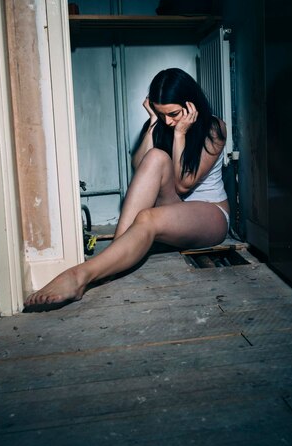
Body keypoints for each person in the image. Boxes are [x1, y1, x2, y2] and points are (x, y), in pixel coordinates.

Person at [24, 68, 230, 307]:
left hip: (210, 215)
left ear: (190, 104)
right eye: (162, 115)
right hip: (177, 211)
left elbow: (184, 184)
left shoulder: (214, 128)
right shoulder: (162, 122)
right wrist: (154, 123)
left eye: (173, 114)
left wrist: (181, 134)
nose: (169, 121)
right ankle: (115, 257)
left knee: (147, 218)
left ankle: (79, 276)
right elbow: (140, 164)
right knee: (155, 157)